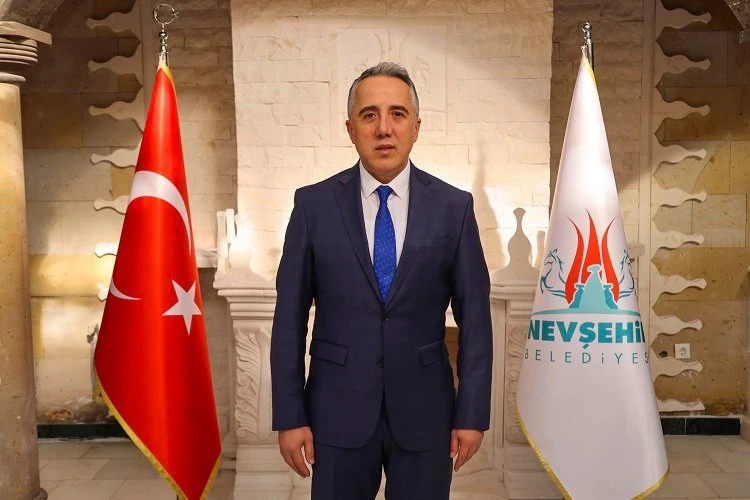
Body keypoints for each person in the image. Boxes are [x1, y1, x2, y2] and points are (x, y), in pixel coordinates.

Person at [270, 61, 493, 500]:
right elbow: (289, 320)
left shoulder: (454, 208)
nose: (384, 128)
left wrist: (472, 413)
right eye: (369, 115)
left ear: (416, 127)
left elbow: (477, 322)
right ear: (350, 129)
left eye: (397, 114)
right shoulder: (313, 206)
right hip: (336, 411)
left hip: (426, 412)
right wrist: (290, 415)